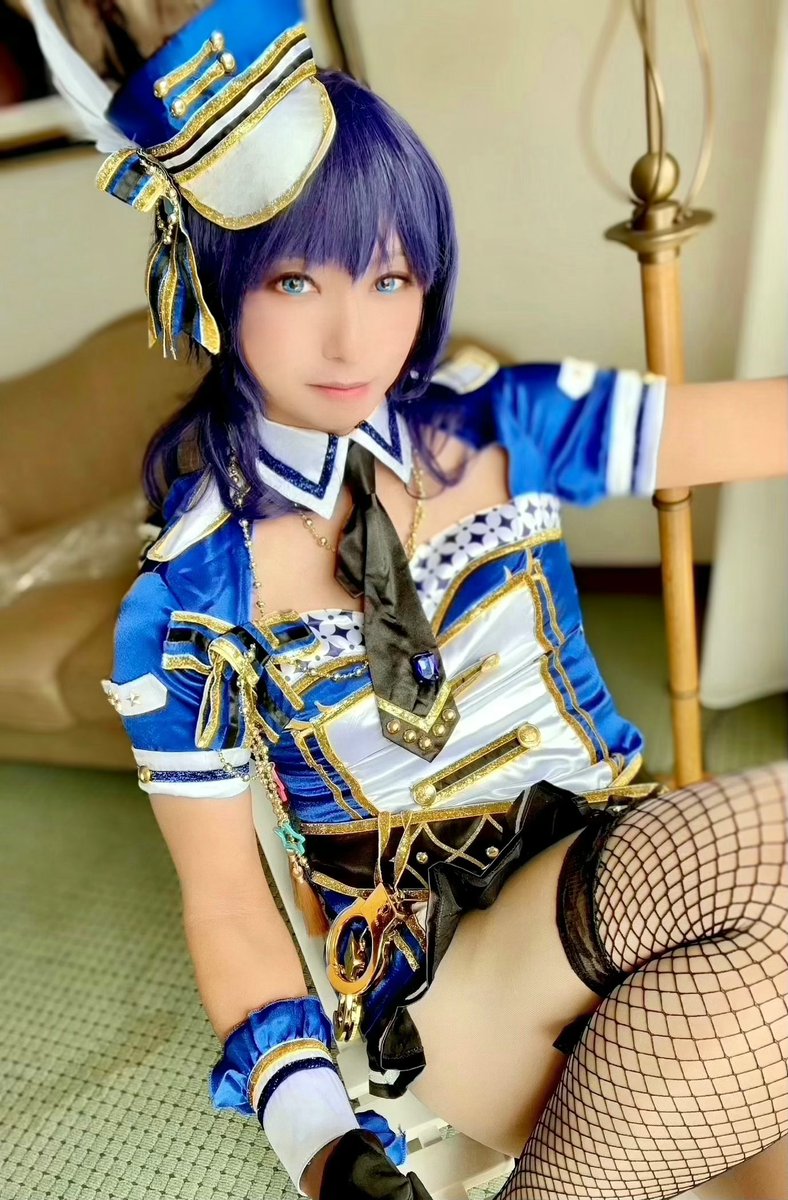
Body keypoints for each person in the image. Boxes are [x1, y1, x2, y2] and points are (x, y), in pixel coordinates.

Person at [28, 2, 788, 1198]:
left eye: (387, 276)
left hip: (635, 891)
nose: (354, 337)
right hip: (452, 989)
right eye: (294, 279)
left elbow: (756, 423)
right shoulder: (190, 601)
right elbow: (228, 908)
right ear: (212, 284)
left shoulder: (502, 426)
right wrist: (322, 1151)